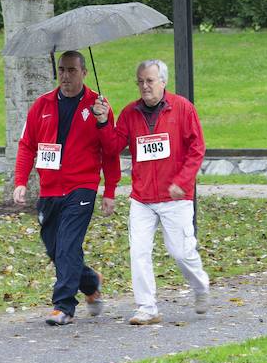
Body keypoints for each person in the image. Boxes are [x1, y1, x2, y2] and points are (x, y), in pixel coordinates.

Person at [92, 59, 210, 325]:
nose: (145, 86)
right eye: (140, 81)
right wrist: (102, 121)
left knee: (181, 252)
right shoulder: (129, 113)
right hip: (142, 198)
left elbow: (197, 149)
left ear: (163, 82)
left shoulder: (182, 108)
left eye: (150, 81)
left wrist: (183, 181)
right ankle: (147, 308)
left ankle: (200, 285)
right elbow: (112, 147)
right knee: (139, 252)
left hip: (175, 196)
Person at [13, 50, 120, 326]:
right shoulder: (42, 105)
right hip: (50, 190)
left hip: (81, 187)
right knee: (55, 249)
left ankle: (63, 306)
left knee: (68, 246)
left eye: (72, 70)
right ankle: (91, 281)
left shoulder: (98, 106)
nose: (66, 75)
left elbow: (111, 151)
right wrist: (20, 181)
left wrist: (109, 190)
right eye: (62, 69)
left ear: (84, 72)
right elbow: (27, 145)